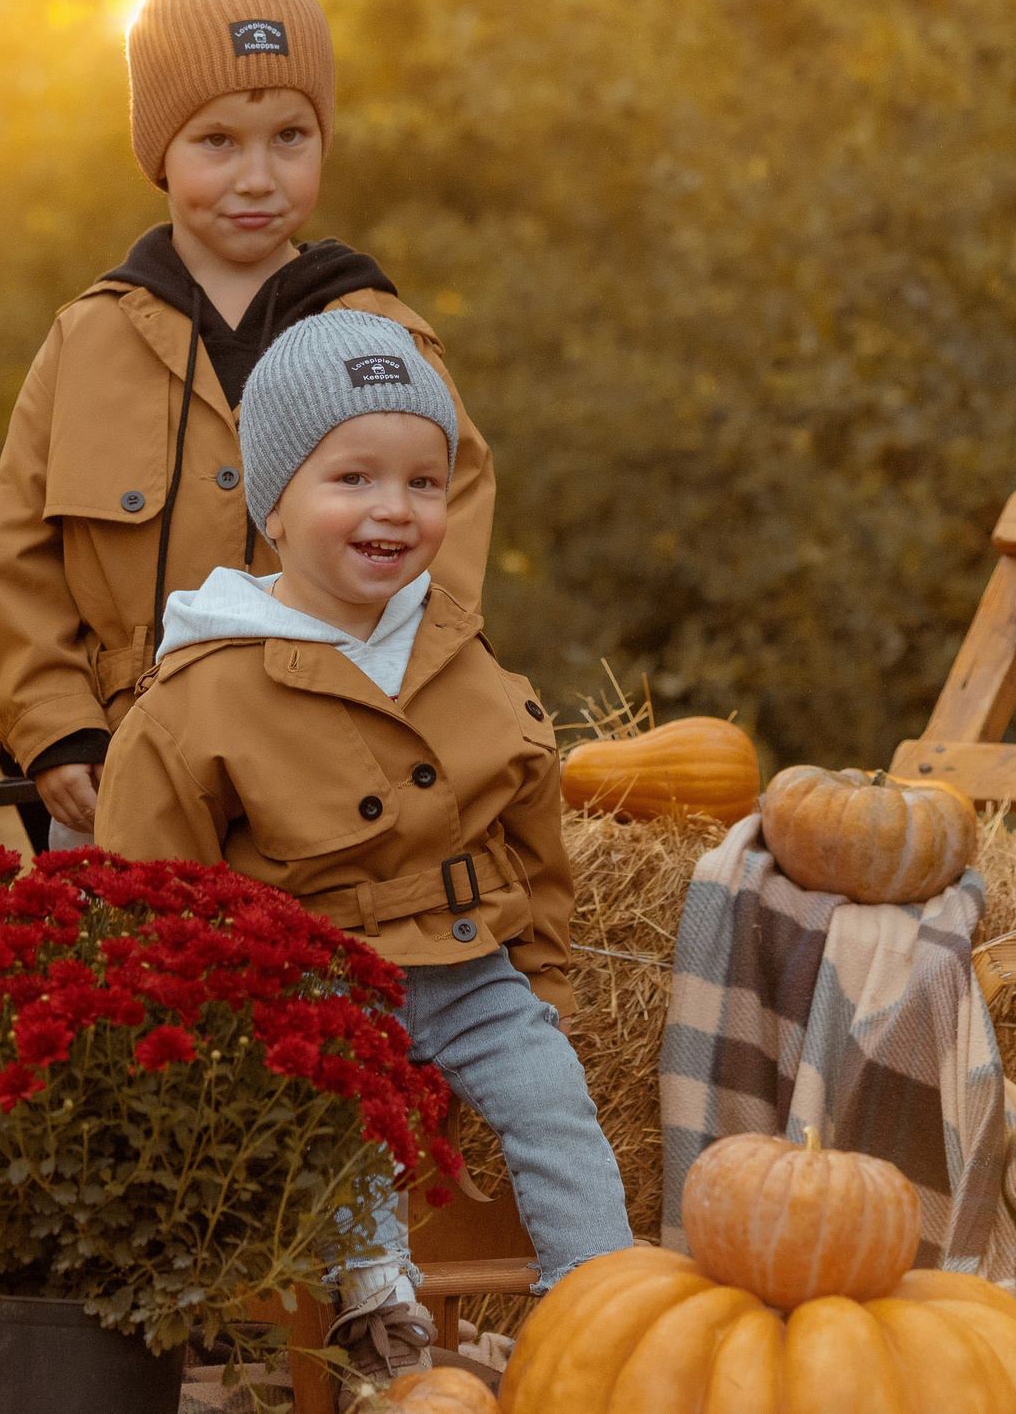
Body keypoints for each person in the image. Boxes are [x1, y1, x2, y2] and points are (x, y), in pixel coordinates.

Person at [96, 310, 631, 1385]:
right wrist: (202, 1025)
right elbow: (150, 879)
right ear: (277, 506)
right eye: (353, 478)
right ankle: (372, 1293)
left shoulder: (453, 647)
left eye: (422, 483)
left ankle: (598, 1292)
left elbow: (533, 822)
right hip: (316, 982)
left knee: (555, 1102)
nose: (393, 508)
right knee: (344, 1120)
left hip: (472, 964)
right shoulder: (207, 686)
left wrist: (547, 974)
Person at [0, 0, 494, 847]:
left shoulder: (381, 339)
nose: (257, 177)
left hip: (339, 777)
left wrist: (397, 703)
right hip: (129, 765)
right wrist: (56, 726)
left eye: (290, 137)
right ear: (159, 154)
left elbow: (450, 541)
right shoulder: (88, 342)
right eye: (218, 142)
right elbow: (19, 559)